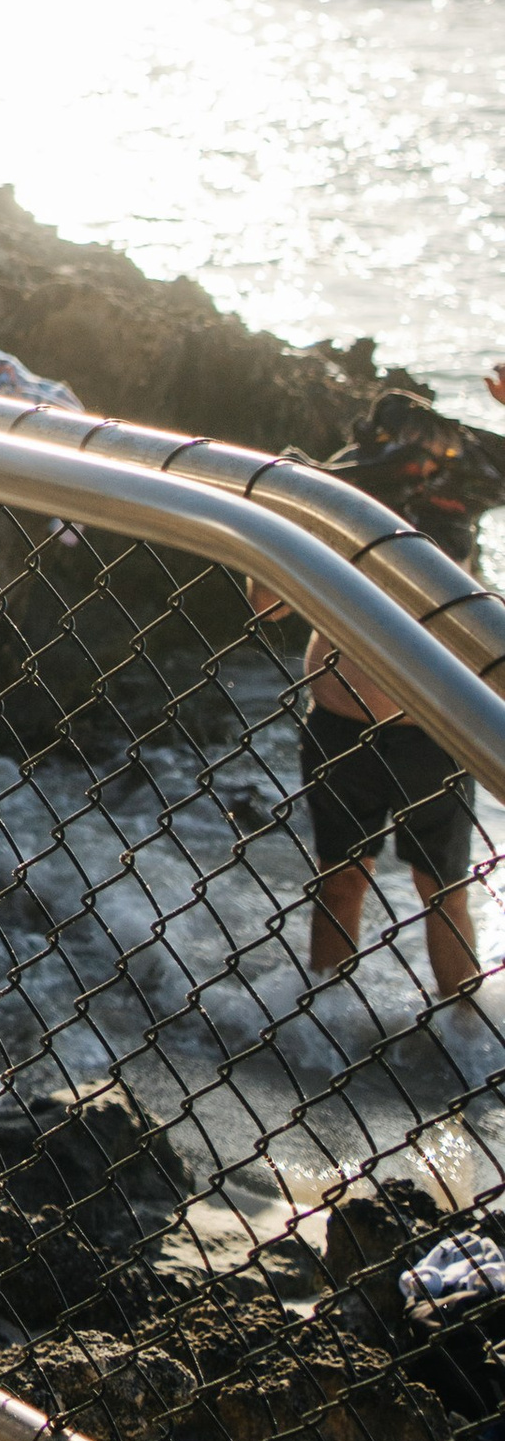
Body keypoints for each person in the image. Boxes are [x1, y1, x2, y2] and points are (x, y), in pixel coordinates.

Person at [252, 388, 503, 1082]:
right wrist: (297, 510)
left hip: (433, 728)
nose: (416, 465)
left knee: (442, 887)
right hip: (339, 725)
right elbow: (267, 605)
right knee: (341, 881)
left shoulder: (462, 501)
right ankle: (323, 1028)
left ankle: (467, 1042)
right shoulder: (340, 496)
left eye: (428, 451)